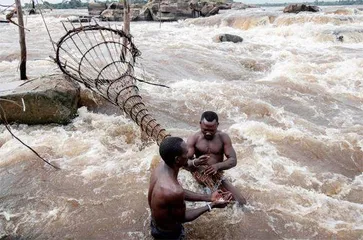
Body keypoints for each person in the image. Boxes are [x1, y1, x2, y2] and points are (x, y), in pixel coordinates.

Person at [148, 137, 232, 240]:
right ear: (177, 159)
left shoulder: (161, 167)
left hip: (156, 223)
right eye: (186, 152)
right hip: (168, 234)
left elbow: (178, 190)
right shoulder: (173, 190)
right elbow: (183, 217)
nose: (189, 154)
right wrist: (212, 205)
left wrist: (209, 197)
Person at [186, 111, 247, 206]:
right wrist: (195, 162)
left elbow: (233, 160)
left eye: (212, 130)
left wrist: (217, 166)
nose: (208, 133)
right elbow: (184, 162)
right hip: (199, 175)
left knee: (240, 202)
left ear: (217, 125)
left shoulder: (223, 137)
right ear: (200, 124)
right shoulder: (194, 139)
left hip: (217, 177)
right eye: (205, 129)